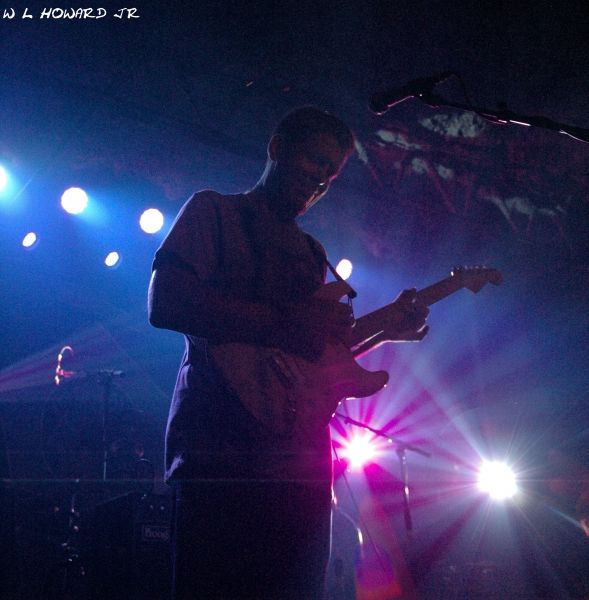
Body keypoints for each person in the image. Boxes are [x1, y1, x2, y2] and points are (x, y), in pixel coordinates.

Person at [148, 106, 429, 600]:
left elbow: (307, 356)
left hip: (300, 462)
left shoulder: (311, 253)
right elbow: (165, 302)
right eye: (314, 160)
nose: (321, 178)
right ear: (277, 148)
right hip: (220, 452)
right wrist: (285, 321)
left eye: (331, 172)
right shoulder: (215, 212)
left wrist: (387, 330)